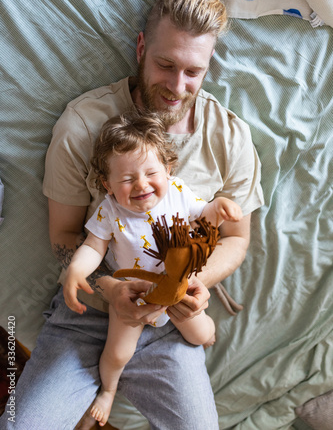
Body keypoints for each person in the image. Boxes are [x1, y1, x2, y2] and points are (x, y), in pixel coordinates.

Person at [0, 0, 264, 429]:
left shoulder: (231, 138)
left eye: (193, 72)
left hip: (172, 327)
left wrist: (192, 282)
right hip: (90, 318)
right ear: (141, 49)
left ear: (208, 69)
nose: (177, 86)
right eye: (165, 65)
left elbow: (236, 239)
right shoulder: (84, 125)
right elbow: (65, 234)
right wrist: (107, 287)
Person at [63, 111, 243, 427]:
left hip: (178, 291)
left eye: (151, 173)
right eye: (128, 179)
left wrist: (220, 207)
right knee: (117, 353)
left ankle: (206, 336)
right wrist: (77, 269)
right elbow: (93, 246)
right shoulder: (110, 211)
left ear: (168, 168)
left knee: (203, 333)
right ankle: (107, 390)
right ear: (108, 184)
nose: (141, 185)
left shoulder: (177, 192)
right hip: (133, 300)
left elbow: (203, 218)